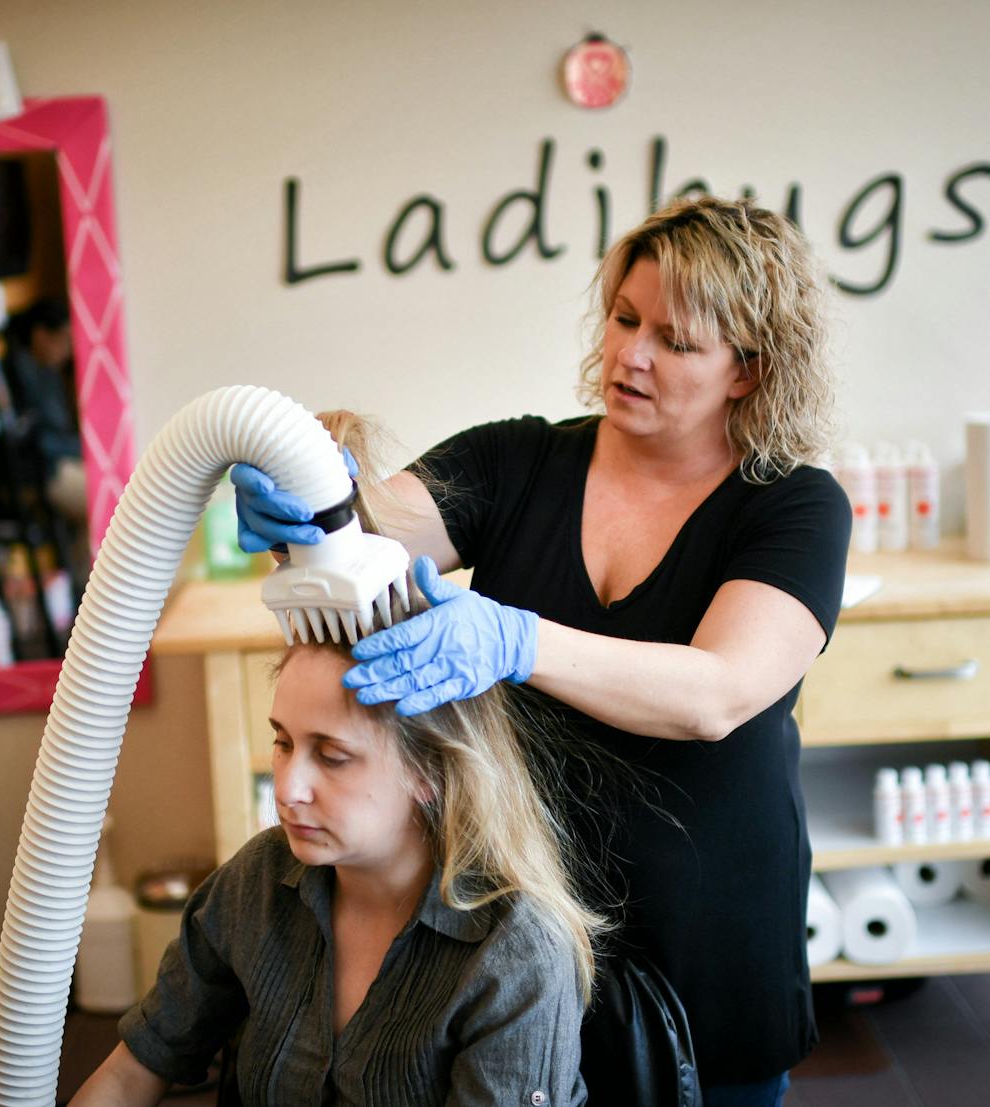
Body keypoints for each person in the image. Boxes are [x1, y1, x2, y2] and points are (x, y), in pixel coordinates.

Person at [233, 196, 851, 1106]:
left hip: (710, 920)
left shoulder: (794, 504)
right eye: (624, 317)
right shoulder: (516, 462)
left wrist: (515, 638)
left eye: (676, 340)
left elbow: (718, 691)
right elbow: (360, 541)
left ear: (748, 371)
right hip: (520, 925)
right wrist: (307, 506)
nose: (629, 353)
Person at [72, 417, 603, 1107]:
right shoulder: (259, 886)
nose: (288, 788)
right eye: (284, 741)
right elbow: (130, 1068)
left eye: (334, 756)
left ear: (429, 773)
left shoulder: (512, 958)